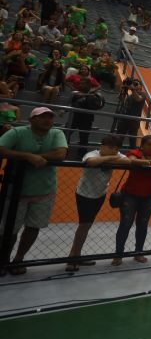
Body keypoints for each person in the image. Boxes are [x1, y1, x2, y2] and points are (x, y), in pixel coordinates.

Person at [0, 107, 68, 275]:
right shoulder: (18, 132)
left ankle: (18, 259)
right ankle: (3, 260)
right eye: (42, 117)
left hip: (44, 190)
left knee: (33, 227)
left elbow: (60, 154)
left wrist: (37, 157)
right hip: (16, 190)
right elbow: (1, 149)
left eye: (50, 117)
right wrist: (28, 156)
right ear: (31, 120)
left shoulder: (57, 133)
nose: (47, 120)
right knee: (9, 229)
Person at [66, 135, 130, 272]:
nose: (114, 151)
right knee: (84, 226)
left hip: (100, 194)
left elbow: (128, 162)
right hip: (84, 194)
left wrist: (111, 157)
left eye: (116, 149)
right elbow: (91, 162)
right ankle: (72, 258)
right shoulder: (92, 153)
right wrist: (112, 158)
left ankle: (76, 255)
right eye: (111, 148)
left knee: (87, 225)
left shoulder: (116, 154)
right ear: (102, 146)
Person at [112, 135, 151, 265]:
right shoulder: (136, 152)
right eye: (149, 144)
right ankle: (118, 254)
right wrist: (148, 162)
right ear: (142, 145)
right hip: (130, 195)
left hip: (149, 196)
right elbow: (131, 160)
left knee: (143, 225)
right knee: (125, 224)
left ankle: (138, 253)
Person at [114, 79, 145, 149]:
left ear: (141, 86)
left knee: (132, 140)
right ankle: (115, 152)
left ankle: (133, 154)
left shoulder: (143, 94)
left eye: (136, 84)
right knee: (119, 138)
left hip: (134, 120)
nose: (134, 85)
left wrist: (132, 89)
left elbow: (138, 99)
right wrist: (123, 90)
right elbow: (121, 100)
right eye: (133, 84)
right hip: (124, 118)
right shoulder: (130, 95)